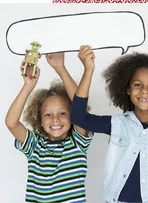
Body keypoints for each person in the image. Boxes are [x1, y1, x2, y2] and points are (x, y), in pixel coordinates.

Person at [71, 45, 148, 203]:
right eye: (137, 84)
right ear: (127, 89)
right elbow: (78, 117)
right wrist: (88, 70)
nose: (144, 90)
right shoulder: (116, 124)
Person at [5, 52, 92, 203]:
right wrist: (28, 86)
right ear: (39, 120)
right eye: (48, 115)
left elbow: (79, 106)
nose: (55, 119)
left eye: (63, 113)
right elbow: (11, 123)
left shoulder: (78, 143)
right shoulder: (35, 146)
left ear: (73, 116)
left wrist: (61, 68)